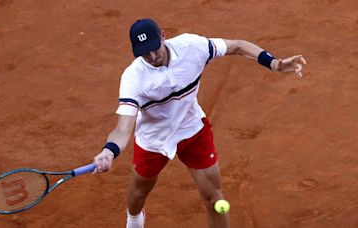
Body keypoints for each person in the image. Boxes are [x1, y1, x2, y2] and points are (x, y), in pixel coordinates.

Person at [92, 18, 306, 228]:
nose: (152, 56)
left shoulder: (191, 46)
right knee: (140, 191)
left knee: (214, 198)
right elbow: (123, 128)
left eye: (154, 48)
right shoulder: (133, 77)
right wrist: (109, 151)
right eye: (144, 53)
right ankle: (134, 219)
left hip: (192, 128)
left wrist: (275, 63)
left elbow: (238, 46)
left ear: (163, 36)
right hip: (154, 138)